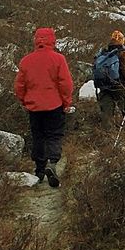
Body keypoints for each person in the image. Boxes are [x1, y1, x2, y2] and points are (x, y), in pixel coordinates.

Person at [14, 27, 74, 187]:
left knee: (38, 137)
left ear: (36, 40)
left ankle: (39, 171)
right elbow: (66, 84)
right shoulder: (58, 59)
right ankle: (52, 163)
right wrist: (66, 102)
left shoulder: (26, 60)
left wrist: (24, 101)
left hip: (34, 107)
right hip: (55, 105)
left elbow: (19, 86)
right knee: (54, 135)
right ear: (52, 40)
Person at [96, 30, 125, 130]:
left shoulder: (104, 52)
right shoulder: (122, 52)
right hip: (119, 86)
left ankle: (106, 132)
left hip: (104, 86)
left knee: (107, 112)